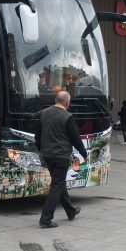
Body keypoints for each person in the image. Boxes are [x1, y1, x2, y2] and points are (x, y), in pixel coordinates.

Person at [35, 91, 88, 228]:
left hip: (47, 155)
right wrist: (84, 154)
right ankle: (45, 219)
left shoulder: (44, 113)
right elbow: (75, 138)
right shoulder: (67, 117)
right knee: (57, 185)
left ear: (55, 100)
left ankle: (70, 211)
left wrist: (41, 149)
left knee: (59, 183)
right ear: (67, 103)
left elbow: (37, 135)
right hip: (61, 156)